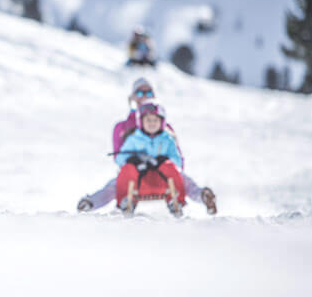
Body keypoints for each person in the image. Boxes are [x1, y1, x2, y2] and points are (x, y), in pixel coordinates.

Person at [77, 77, 217, 214]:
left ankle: (202, 197)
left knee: (183, 179)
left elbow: (177, 157)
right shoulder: (123, 127)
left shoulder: (165, 131)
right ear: (132, 97)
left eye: (148, 93)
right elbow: (119, 157)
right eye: (139, 93)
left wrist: (165, 163)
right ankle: (91, 203)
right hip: (135, 173)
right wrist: (133, 161)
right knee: (115, 185)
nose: (144, 96)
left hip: (161, 173)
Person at [114, 102, 185, 214]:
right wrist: (133, 160)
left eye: (155, 120)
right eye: (148, 120)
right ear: (141, 122)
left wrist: (162, 161)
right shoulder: (134, 139)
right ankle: (126, 201)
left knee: (170, 167)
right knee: (127, 169)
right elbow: (119, 159)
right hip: (140, 182)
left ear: (161, 122)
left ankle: (176, 200)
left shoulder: (167, 139)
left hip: (161, 181)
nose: (152, 123)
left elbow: (178, 162)